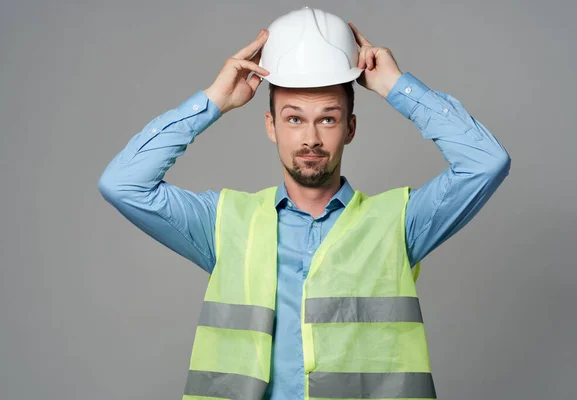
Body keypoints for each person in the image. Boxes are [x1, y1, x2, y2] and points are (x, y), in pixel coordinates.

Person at [98, 7, 510, 400]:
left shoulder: (399, 224)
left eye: (327, 118)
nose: (310, 138)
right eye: (294, 118)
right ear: (271, 126)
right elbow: (123, 183)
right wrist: (214, 100)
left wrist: (396, 87)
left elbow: (486, 163)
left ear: (350, 128)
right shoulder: (224, 223)